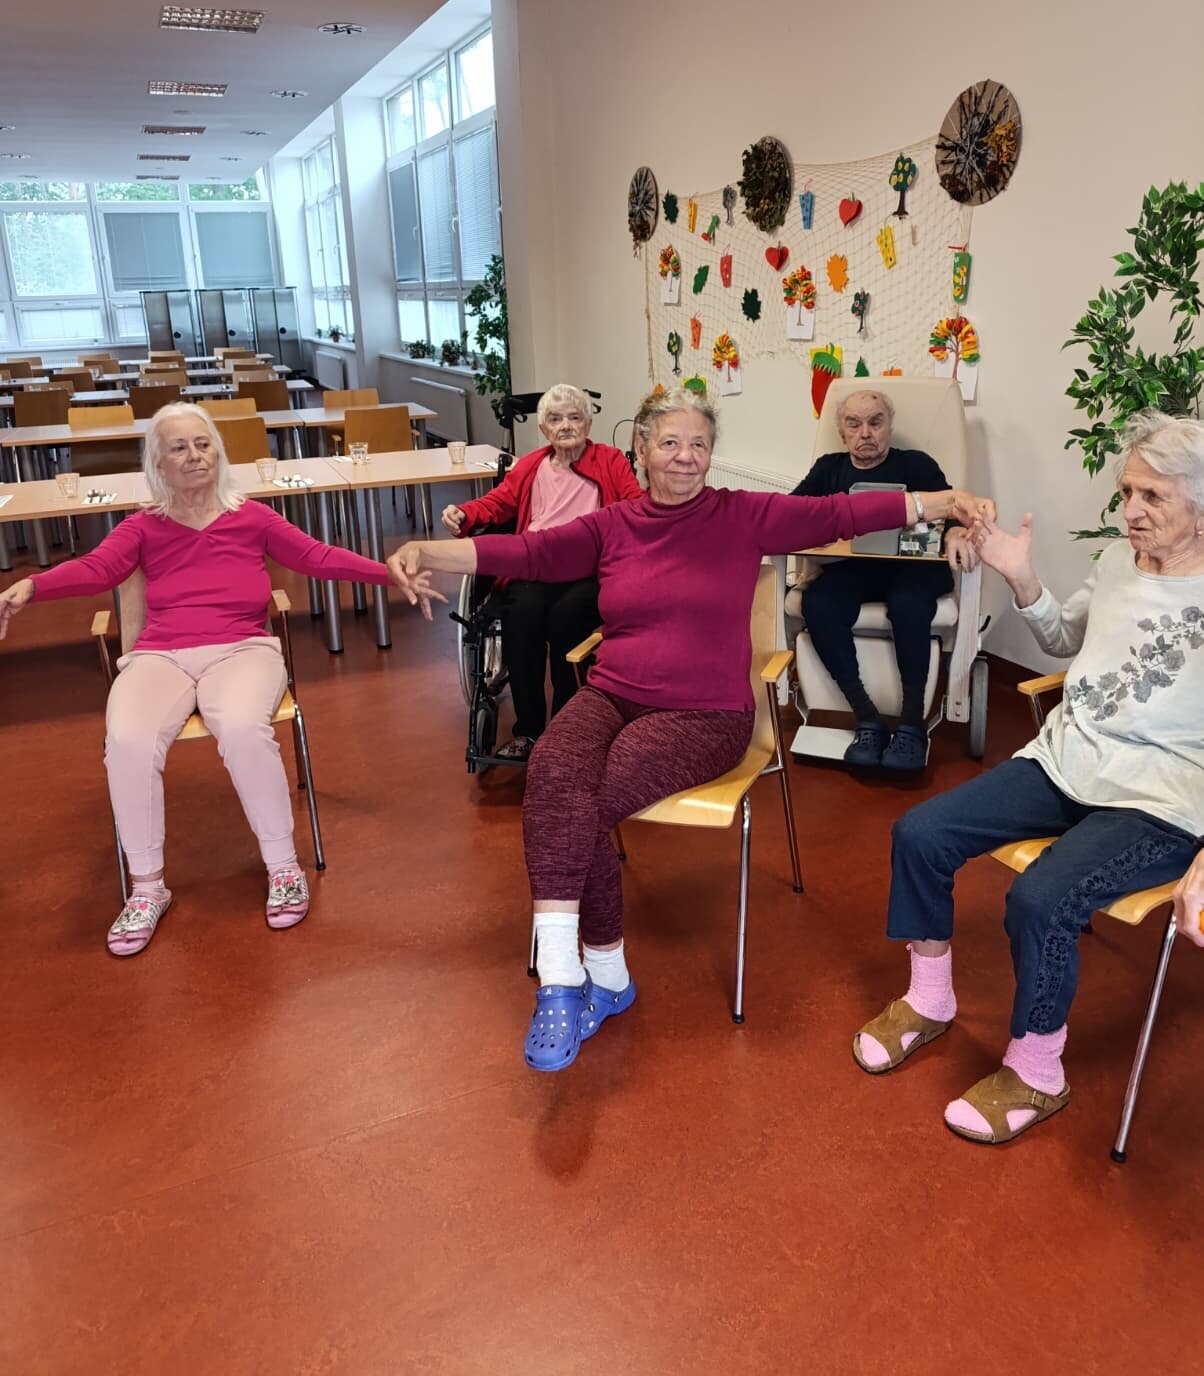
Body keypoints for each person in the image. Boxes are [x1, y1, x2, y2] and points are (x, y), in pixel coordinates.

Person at [391, 387, 992, 1072]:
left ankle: (591, 979)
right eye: (671, 442)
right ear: (641, 449)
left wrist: (942, 503)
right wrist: (426, 551)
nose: (685, 456)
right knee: (553, 770)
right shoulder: (612, 525)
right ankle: (574, 977)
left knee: (586, 801)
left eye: (699, 444)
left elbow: (840, 512)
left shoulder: (742, 515)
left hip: (706, 714)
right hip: (613, 693)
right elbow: (528, 554)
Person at [853, 410, 1204, 1145]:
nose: (1131, 511)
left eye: (1152, 497)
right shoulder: (1119, 561)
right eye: (1127, 492)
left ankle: (1038, 1071)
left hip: (1161, 796)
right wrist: (1020, 575)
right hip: (1068, 759)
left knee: (1041, 898)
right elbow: (1062, 638)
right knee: (920, 833)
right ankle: (930, 999)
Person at [0, 404, 440, 957]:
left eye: (203, 444)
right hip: (161, 654)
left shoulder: (251, 517)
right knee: (127, 741)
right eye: (179, 447)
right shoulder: (141, 526)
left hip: (243, 648)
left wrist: (388, 574)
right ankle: (147, 889)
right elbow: (97, 569)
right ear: (158, 462)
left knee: (240, 727)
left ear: (219, 452)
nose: (194, 455)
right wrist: (33, 587)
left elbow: (316, 557)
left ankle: (283, 867)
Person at [441, 383, 641, 760]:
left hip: (588, 570)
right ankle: (529, 731)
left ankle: (565, 730)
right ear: (543, 428)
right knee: (522, 614)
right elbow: (497, 503)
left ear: (588, 424)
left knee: (568, 619)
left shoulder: (611, 460)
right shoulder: (531, 465)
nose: (565, 425)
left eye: (575, 417)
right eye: (555, 418)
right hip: (534, 564)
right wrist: (464, 513)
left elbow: (635, 505)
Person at [791, 386, 979, 771]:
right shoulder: (828, 469)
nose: (866, 433)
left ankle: (911, 725)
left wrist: (957, 532)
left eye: (875, 422)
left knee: (907, 605)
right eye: (854, 424)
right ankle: (867, 718)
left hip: (915, 571)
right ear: (842, 431)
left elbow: (953, 510)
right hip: (854, 570)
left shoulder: (916, 465)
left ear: (889, 425)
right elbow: (793, 513)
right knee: (818, 602)